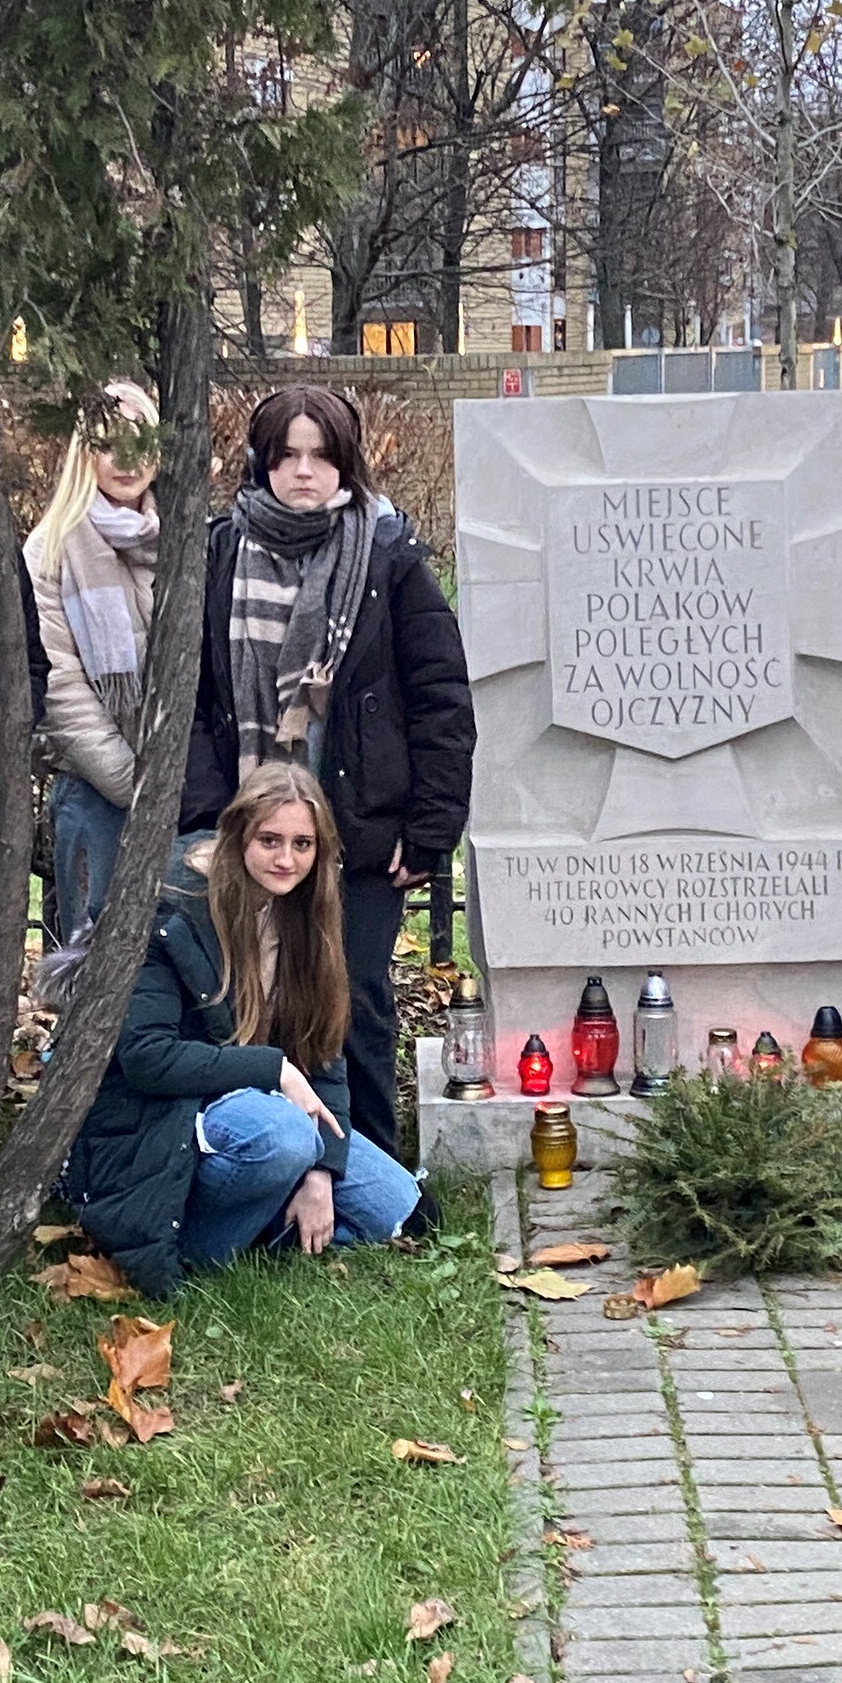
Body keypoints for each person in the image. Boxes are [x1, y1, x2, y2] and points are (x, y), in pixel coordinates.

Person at [178, 384, 472, 1170]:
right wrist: (205, 815)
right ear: (261, 463)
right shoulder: (219, 553)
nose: (303, 472)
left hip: (357, 826)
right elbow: (192, 694)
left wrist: (431, 828)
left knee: (356, 1001)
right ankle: (261, 1163)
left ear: (346, 463)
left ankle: (370, 1168)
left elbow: (441, 697)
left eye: (321, 455)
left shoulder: (387, 555)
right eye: (287, 455)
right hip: (244, 826)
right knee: (243, 997)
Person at [61, 765, 421, 1296]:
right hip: (161, 1117)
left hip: (256, 1110)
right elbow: (146, 1057)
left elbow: (324, 1056)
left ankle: (264, 1218)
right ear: (237, 836)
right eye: (269, 840)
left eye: (302, 844)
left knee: (398, 1208)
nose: (286, 859)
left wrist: (322, 1173)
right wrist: (276, 1070)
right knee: (284, 1135)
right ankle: (192, 1244)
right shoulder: (171, 907)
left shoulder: (306, 914)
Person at [26, 376, 165, 950]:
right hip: (95, 788)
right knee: (92, 957)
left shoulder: (184, 541)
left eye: (139, 443)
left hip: (185, 787)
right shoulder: (50, 547)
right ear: (83, 454)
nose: (126, 461)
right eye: (108, 444)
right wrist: (136, 783)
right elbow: (60, 687)